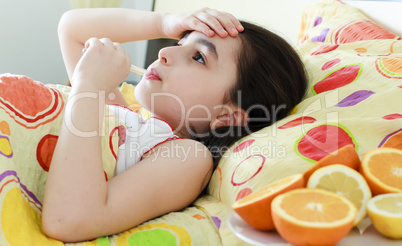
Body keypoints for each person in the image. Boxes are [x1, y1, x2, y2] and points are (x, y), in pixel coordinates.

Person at [41, 7, 307, 242]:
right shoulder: (122, 117)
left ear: (227, 117)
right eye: (180, 43)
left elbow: (70, 218)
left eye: (198, 57)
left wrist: (89, 86)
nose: (165, 52)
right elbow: (71, 28)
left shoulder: (188, 157)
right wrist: (165, 23)